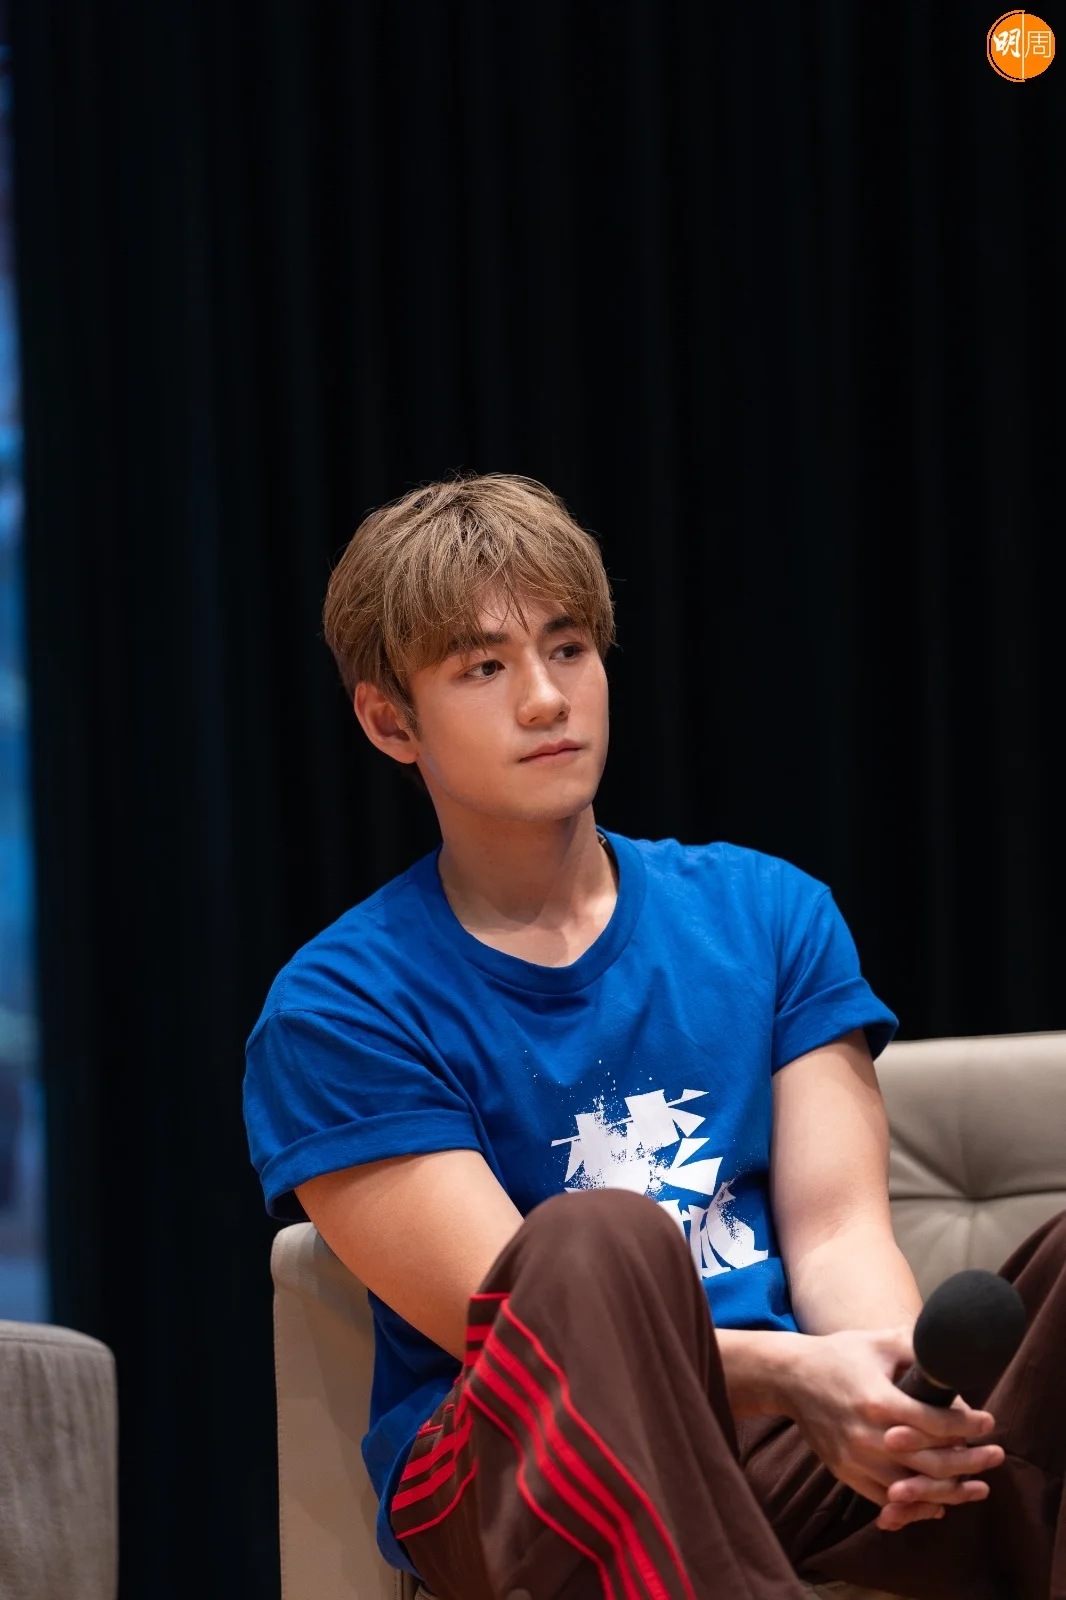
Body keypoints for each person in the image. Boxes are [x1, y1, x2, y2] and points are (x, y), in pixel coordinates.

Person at [243, 473, 1065, 1600]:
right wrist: (797, 1376)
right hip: (510, 1465)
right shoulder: (339, 1006)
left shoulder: (767, 912)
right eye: (484, 667)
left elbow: (837, 1235)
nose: (547, 699)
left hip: (777, 1440)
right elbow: (518, 1336)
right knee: (594, 1241)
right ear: (391, 721)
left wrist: (883, 1396)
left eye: (568, 647)